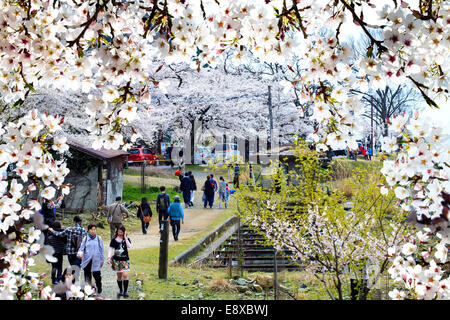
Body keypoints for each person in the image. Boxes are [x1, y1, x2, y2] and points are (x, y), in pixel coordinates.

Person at [77, 224, 104, 295]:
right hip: (87, 261)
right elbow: (81, 249)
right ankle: (89, 292)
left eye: (94, 229)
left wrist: (102, 260)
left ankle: (99, 286)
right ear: (88, 230)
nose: (93, 231)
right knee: (87, 277)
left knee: (97, 277)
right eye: (91, 229)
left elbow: (102, 250)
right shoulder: (85, 239)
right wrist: (80, 254)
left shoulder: (98, 238)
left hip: (96, 261)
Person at [108, 225, 132, 298]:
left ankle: (125, 291)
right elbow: (111, 249)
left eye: (121, 232)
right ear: (117, 232)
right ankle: (121, 290)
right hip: (117, 260)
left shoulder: (126, 239)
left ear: (124, 232)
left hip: (125, 260)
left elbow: (129, 246)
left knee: (125, 275)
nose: (120, 233)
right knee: (119, 276)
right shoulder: (114, 240)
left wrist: (125, 237)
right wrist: (109, 257)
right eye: (119, 232)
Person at [46, 220, 66, 284]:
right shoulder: (62, 236)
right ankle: (58, 280)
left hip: (53, 254)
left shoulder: (49, 237)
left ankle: (53, 280)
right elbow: (64, 244)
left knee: (54, 267)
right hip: (60, 253)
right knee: (60, 267)